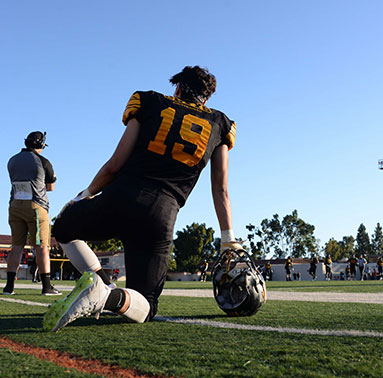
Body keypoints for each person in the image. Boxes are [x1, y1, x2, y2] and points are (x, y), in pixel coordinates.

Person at [43, 66, 241, 332]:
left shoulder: (149, 101)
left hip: (119, 198)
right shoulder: (220, 123)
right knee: (145, 306)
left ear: (178, 88)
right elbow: (221, 189)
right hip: (160, 215)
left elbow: (114, 165)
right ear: (206, 99)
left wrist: (85, 195)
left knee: (65, 227)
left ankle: (100, 286)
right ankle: (107, 295)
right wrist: (228, 238)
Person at [3, 131, 60, 296]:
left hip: (14, 204)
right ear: (41, 144)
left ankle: (9, 287)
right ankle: (47, 286)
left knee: (16, 247)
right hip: (36, 206)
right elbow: (51, 188)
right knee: (42, 247)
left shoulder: (12, 160)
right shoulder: (43, 161)